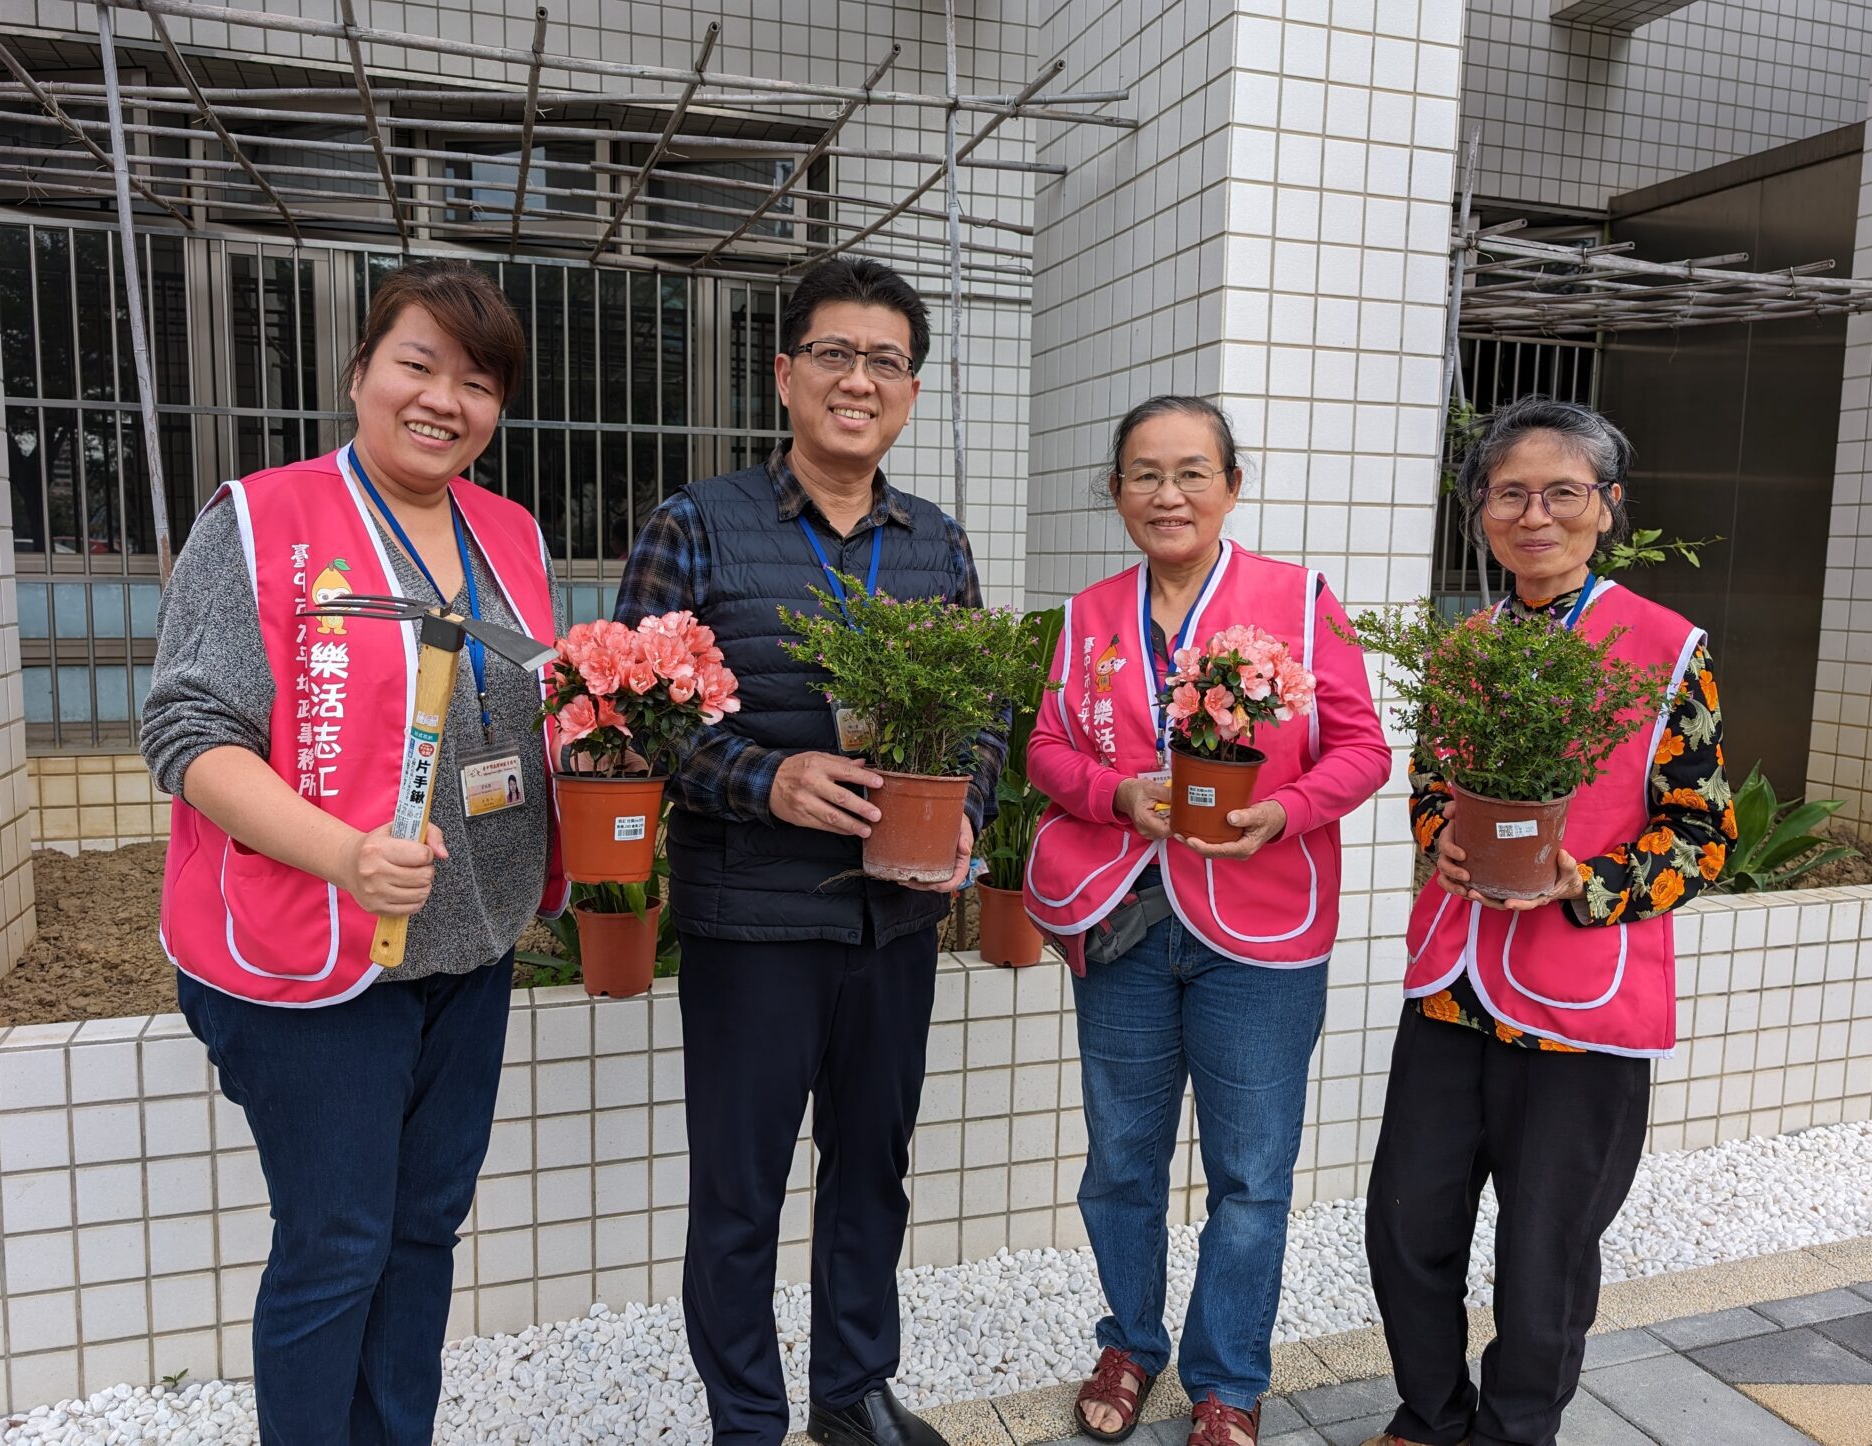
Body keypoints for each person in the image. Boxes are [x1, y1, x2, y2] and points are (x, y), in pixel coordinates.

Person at [141, 260, 566, 1442]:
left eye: (477, 382)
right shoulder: (262, 519)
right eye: (417, 365)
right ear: (361, 371)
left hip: (469, 948)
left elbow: (531, 702)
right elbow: (187, 733)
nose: (443, 401)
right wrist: (343, 854)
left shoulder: (508, 533)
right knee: (337, 1244)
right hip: (317, 953)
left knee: (423, 1231)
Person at [612, 255, 1001, 1446]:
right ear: (785, 375)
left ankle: (853, 1392)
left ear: (912, 391)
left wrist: (969, 812)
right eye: (834, 354)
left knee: (871, 1169)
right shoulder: (697, 524)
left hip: (894, 919)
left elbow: (981, 716)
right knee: (740, 1188)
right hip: (754, 919)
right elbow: (629, 713)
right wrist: (765, 778)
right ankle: (747, 1417)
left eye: (886, 361)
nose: (858, 380)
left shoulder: (935, 544)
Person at [1360, 397, 1733, 1446]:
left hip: (1581, 1010)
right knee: (1406, 1226)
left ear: (1607, 506)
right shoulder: (1466, 646)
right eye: (1510, 493)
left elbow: (1701, 834)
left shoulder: (1667, 648)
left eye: (1563, 492)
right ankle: (1431, 1416)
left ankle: (1516, 1432)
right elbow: (1431, 786)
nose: (1535, 515)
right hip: (1453, 993)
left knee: (1545, 1253)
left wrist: (1586, 881)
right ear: (1480, 510)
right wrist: (1439, 833)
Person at [1023, 396, 1392, 1446]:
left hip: (1263, 930)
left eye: (1192, 472)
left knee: (1251, 1175)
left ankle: (1228, 1379)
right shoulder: (1088, 615)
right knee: (1122, 1161)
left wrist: (1287, 810)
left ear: (1232, 486)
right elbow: (1045, 748)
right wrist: (1113, 793)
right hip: (1127, 924)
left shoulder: (1300, 599)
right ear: (1115, 492)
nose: (1168, 494)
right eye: (1145, 473)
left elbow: (1363, 749)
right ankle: (1131, 1344)